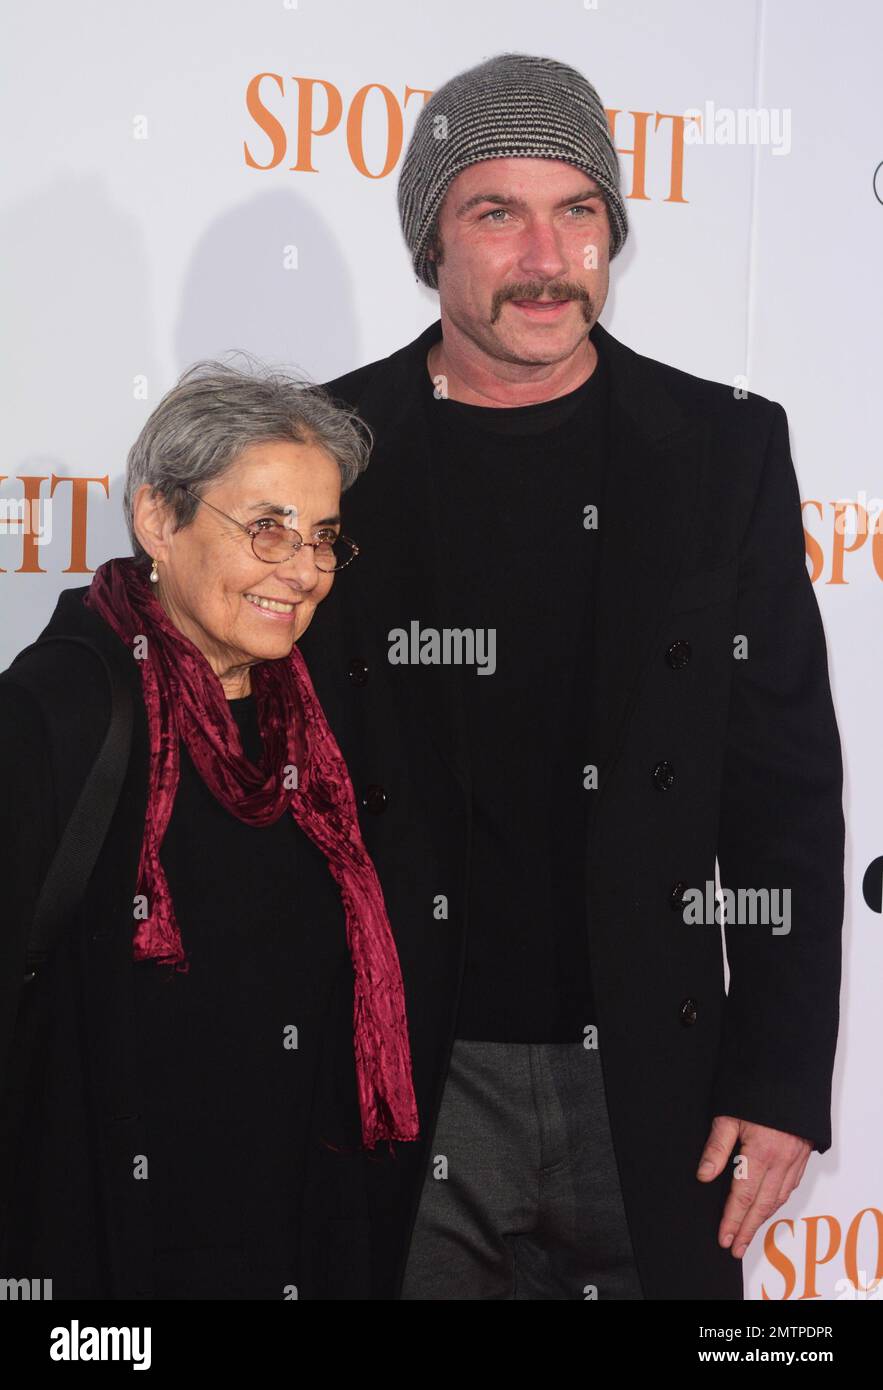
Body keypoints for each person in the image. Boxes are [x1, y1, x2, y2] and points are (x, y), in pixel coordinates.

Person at [298, 52, 845, 1299]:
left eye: (578, 210)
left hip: (656, 1079)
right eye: (496, 212)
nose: (546, 256)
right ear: (431, 243)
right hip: (399, 1080)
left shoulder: (723, 449)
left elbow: (782, 792)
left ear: (613, 230)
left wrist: (776, 1078)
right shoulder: (324, 452)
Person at [0, 359, 419, 1300]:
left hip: (293, 1233)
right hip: (104, 1247)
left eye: (323, 538)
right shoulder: (55, 715)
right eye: (266, 528)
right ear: (158, 517)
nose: (303, 570)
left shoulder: (315, 726)